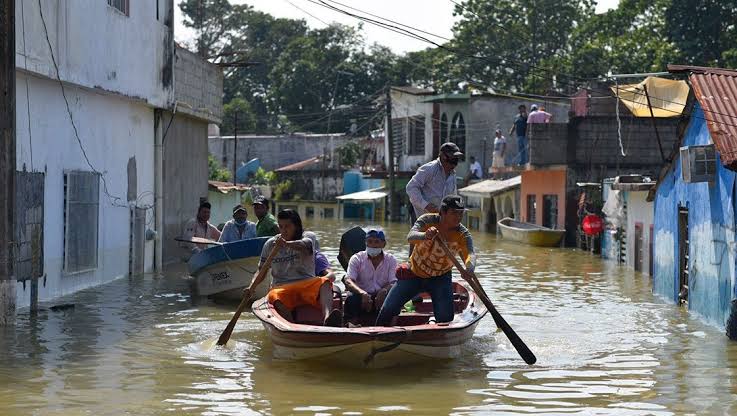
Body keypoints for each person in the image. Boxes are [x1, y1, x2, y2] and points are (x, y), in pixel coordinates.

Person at [376, 196, 476, 326]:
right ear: (443, 212)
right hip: (414, 273)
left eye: (460, 213)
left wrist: (469, 268)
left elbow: (470, 254)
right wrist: (425, 235)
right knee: (388, 309)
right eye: (454, 213)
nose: (458, 217)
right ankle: (378, 336)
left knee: (446, 319)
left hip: (440, 277)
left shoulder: (463, 233)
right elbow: (411, 237)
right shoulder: (427, 220)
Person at [243, 209, 342, 326]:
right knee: (272, 296)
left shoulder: (308, 237)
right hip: (282, 288)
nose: (283, 230)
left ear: (296, 226)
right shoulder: (270, 244)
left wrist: (286, 244)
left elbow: (304, 246)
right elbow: (261, 271)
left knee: (325, 283)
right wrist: (251, 287)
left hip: (306, 284)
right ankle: (291, 326)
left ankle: (328, 318)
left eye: (287, 226)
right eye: (281, 226)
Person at [343, 228, 397, 322]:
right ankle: (351, 323)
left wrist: (383, 291)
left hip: (381, 296)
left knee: (394, 297)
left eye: (376, 242)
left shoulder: (391, 260)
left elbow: (394, 282)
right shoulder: (356, 258)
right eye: (370, 242)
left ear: (383, 244)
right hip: (361, 296)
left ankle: (389, 324)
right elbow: (349, 280)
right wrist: (362, 293)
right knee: (351, 297)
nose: (373, 245)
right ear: (365, 243)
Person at [406, 142, 462, 220]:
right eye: (452, 158)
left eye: (456, 159)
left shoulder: (452, 175)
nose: (455, 163)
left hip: (440, 220)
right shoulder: (429, 169)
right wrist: (426, 205)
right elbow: (411, 188)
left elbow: (453, 197)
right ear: (443, 157)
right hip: (421, 219)